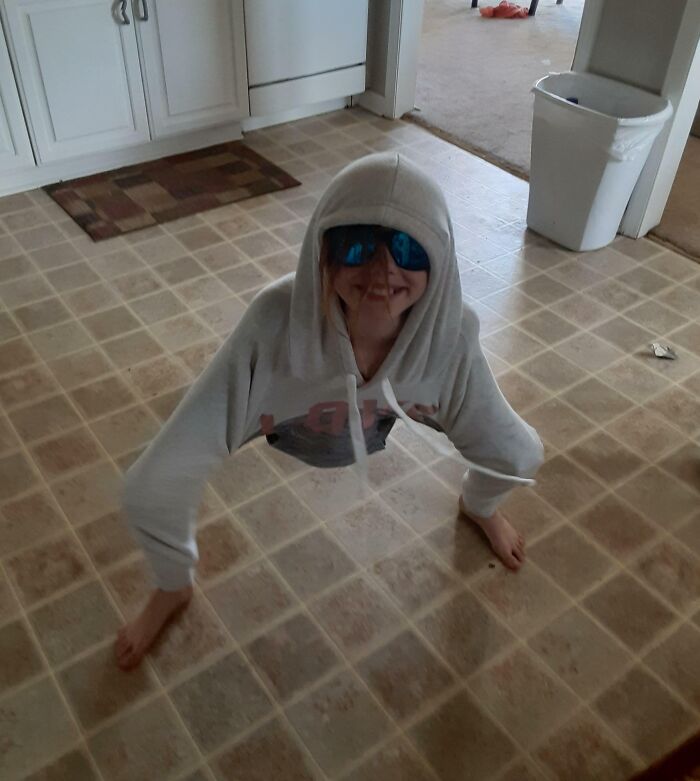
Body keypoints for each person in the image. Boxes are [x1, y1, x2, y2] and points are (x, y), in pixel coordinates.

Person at [115, 152, 544, 670]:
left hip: (390, 409)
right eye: (358, 245)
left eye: (408, 249)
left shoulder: (450, 337)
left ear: (439, 260)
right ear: (322, 252)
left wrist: (488, 479)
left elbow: (503, 442)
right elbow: (176, 460)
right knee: (147, 487)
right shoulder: (275, 322)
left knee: (521, 453)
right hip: (291, 418)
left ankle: (478, 505)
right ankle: (173, 585)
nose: (383, 269)